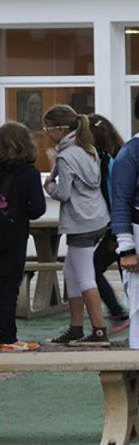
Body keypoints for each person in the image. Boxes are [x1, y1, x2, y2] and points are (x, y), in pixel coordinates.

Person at [42, 105, 112, 345]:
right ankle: (76, 328)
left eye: (48, 129)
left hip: (80, 222)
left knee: (84, 276)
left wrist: (48, 185)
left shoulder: (66, 156)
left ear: (61, 130)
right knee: (71, 271)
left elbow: (63, 194)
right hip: (98, 218)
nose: (46, 133)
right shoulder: (88, 148)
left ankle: (99, 331)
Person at [0, 122, 48, 352]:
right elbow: (37, 209)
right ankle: (7, 338)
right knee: (8, 287)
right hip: (12, 235)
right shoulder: (29, 173)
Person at [86, 114, 128, 321]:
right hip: (125, 224)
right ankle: (134, 317)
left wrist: (114, 234)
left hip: (119, 226)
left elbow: (115, 196)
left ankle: (119, 314)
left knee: (92, 269)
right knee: (127, 271)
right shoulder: (122, 153)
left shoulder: (106, 159)